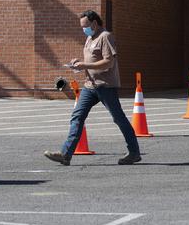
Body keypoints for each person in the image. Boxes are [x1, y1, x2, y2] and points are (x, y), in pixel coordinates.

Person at [44, 10, 141, 166]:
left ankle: (134, 152)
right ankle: (65, 154)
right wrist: (78, 63)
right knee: (77, 116)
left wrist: (85, 65)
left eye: (86, 26)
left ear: (94, 23)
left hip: (105, 86)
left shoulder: (105, 37)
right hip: (90, 86)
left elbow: (109, 62)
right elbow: (92, 59)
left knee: (119, 118)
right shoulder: (90, 38)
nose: (84, 30)